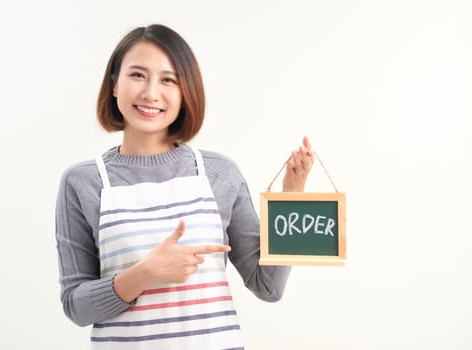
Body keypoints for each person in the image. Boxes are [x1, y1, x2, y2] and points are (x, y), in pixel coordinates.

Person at [55, 24, 314, 349]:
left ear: (185, 92)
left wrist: (291, 197)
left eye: (168, 80)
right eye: (137, 75)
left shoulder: (219, 173)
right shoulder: (84, 182)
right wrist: (145, 273)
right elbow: (75, 306)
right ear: (114, 86)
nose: (151, 92)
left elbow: (268, 287)